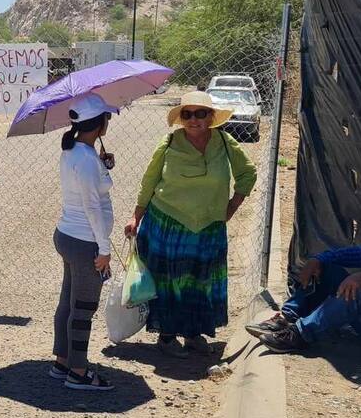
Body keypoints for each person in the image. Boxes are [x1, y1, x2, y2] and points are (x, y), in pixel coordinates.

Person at [125, 90, 257, 355]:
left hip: (209, 226)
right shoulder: (170, 142)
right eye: (187, 114)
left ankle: (195, 334)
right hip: (168, 222)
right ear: (181, 119)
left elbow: (247, 173)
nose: (194, 119)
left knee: (201, 278)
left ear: (211, 117)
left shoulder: (224, 141)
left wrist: (232, 205)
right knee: (171, 279)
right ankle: (167, 336)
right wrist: (135, 216)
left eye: (200, 113)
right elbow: (149, 180)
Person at [248, 193, 361, 356]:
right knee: (328, 269)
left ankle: (298, 335)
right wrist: (319, 259)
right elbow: (360, 254)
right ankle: (286, 318)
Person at [51, 94, 119, 391]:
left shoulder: (76, 152)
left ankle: (63, 361)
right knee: (83, 307)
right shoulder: (86, 160)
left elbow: (89, 183)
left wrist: (103, 164)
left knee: (69, 301)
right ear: (100, 124)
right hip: (85, 241)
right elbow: (93, 207)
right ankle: (78, 372)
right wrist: (103, 250)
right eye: (107, 117)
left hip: (68, 236)